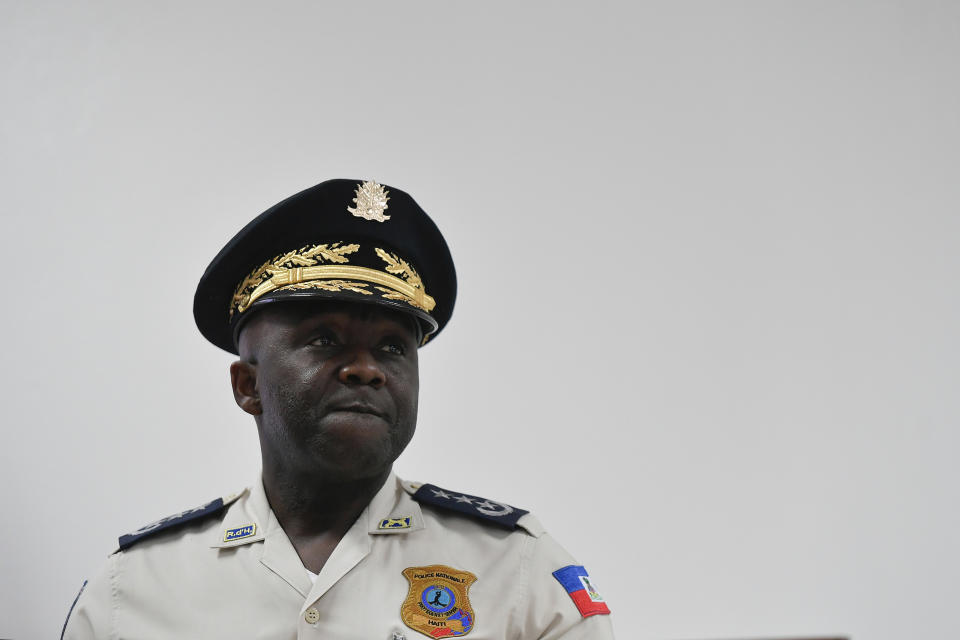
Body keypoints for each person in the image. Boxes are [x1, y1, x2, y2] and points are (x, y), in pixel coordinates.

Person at [62, 179, 615, 639]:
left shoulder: (516, 570)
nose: (366, 368)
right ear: (247, 385)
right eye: (324, 339)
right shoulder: (133, 589)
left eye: (393, 348)